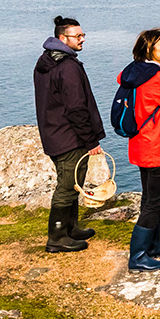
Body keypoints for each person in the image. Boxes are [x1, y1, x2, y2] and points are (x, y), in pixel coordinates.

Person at [33, 15, 106, 253]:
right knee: (66, 187)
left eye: (83, 35)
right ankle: (56, 238)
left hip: (55, 132)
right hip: (68, 137)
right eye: (78, 36)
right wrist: (91, 140)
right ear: (63, 38)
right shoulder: (67, 67)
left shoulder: (46, 61)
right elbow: (76, 108)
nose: (83, 39)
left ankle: (71, 228)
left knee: (74, 183)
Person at [118, 28, 160, 271]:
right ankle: (137, 256)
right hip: (159, 148)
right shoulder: (156, 78)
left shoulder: (133, 73)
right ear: (150, 50)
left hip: (140, 145)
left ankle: (153, 244)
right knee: (154, 203)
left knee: (150, 197)